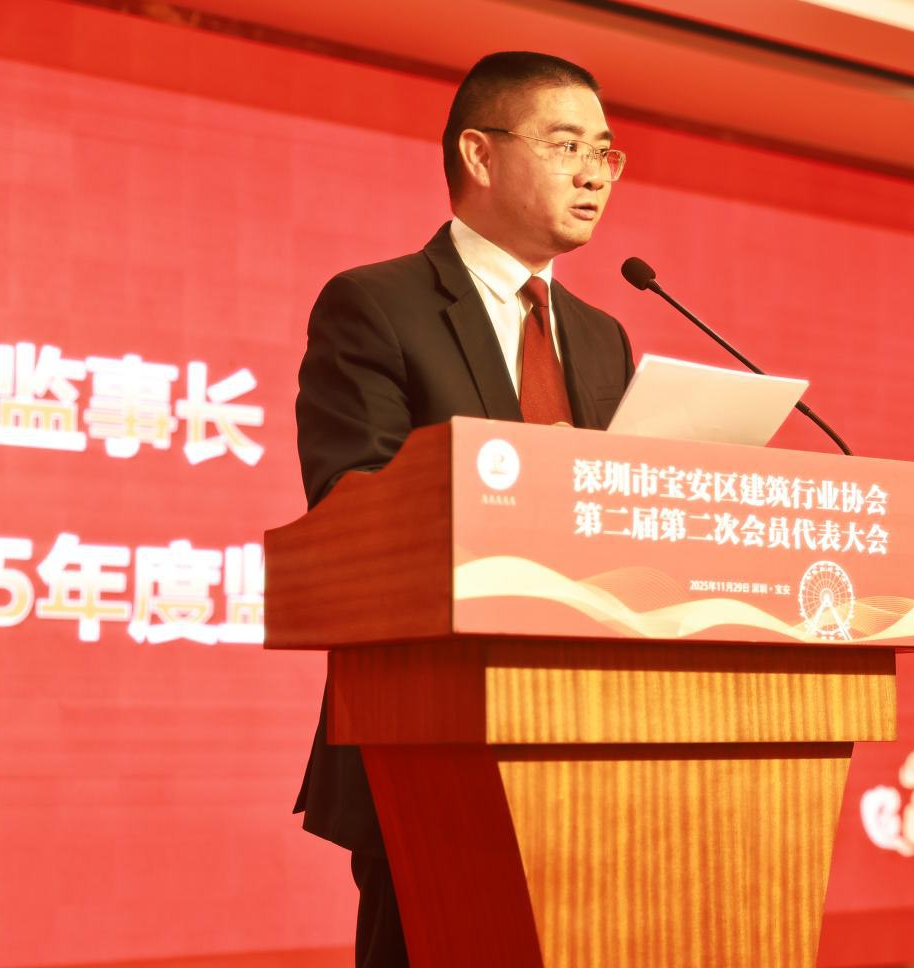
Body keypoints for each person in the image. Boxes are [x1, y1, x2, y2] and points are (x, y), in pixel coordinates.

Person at [292, 51, 635, 967]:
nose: (594, 173)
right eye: (566, 145)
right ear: (479, 155)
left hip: (598, 731)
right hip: (431, 744)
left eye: (605, 151)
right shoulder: (376, 306)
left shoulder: (603, 337)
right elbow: (350, 510)